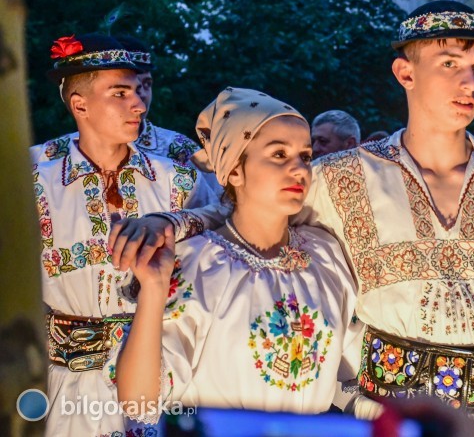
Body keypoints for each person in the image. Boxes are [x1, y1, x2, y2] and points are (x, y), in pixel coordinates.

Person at [109, 0, 474, 435]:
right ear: (405, 73)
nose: (469, 82)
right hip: (382, 412)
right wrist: (178, 223)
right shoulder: (338, 176)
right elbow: (250, 207)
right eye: (449, 64)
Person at [112, 88, 361, 423]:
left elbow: (353, 368)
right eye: (278, 154)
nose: (300, 169)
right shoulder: (196, 264)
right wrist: (154, 291)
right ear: (234, 170)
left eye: (305, 156)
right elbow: (139, 404)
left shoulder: (324, 254)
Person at [33, 34, 212, 436]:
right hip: (59, 385)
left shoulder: (177, 180)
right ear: (80, 105)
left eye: (138, 91)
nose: (139, 105)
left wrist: (173, 221)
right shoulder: (34, 182)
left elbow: (226, 226)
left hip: (157, 378)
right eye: (120, 93)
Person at [31, 35, 203, 167]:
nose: (141, 98)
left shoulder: (179, 151)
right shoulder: (47, 158)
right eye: (120, 92)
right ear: (80, 105)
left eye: (145, 85)